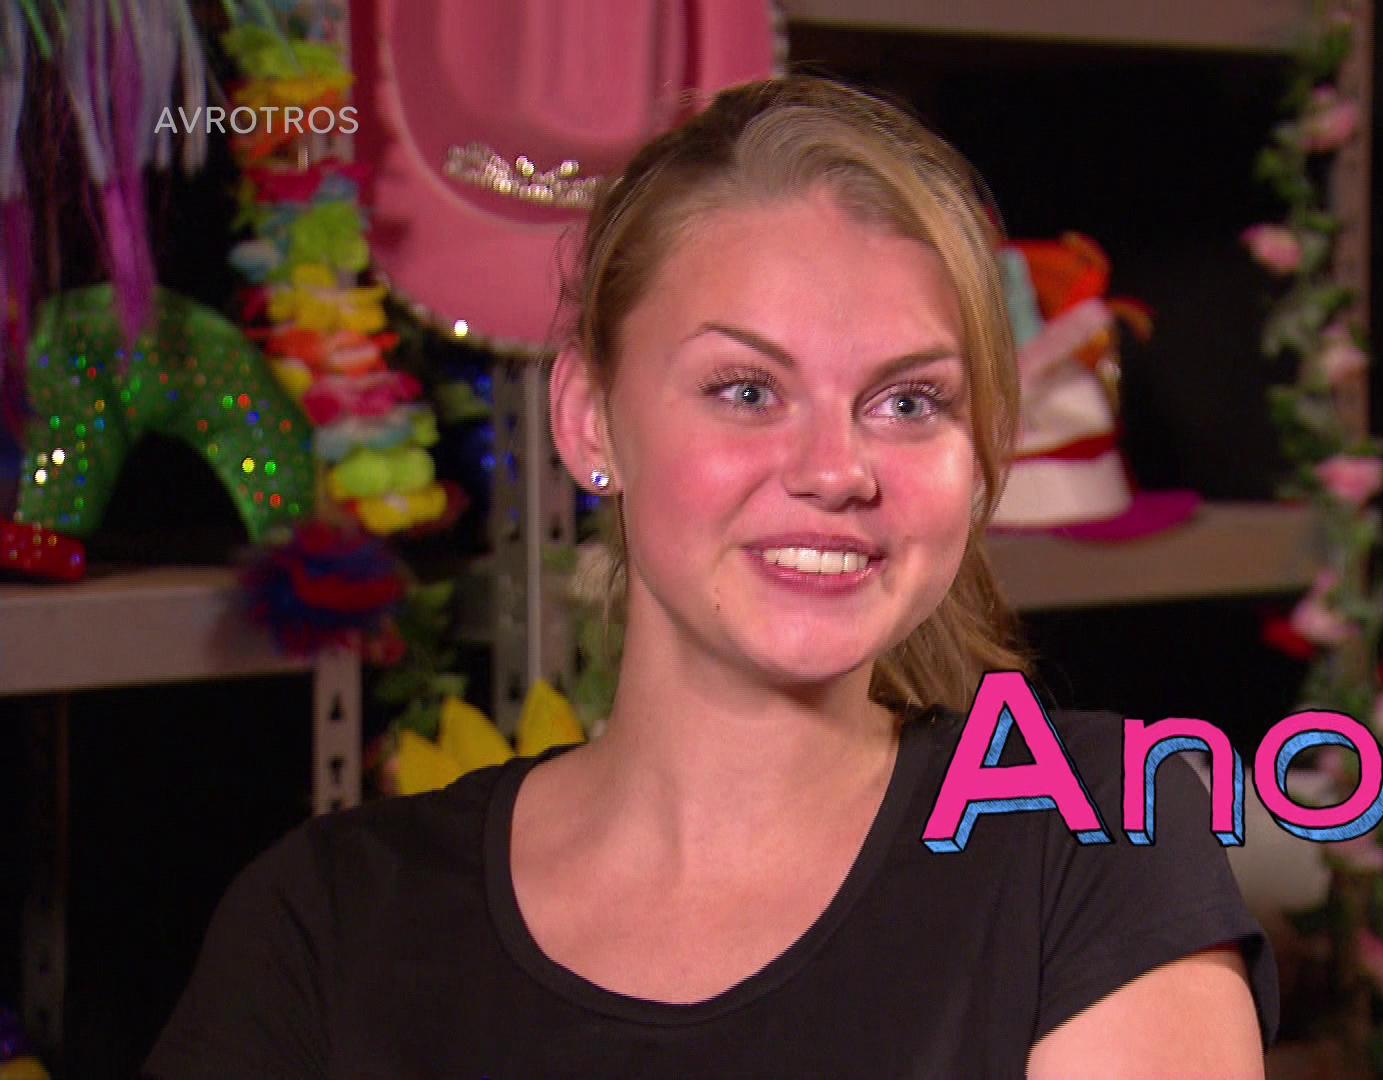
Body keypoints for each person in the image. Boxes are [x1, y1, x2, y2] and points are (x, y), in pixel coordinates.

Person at [145, 74, 1282, 1078]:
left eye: (908, 401)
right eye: (746, 390)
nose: (836, 470)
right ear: (590, 418)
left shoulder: (1089, 847)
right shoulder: (330, 921)